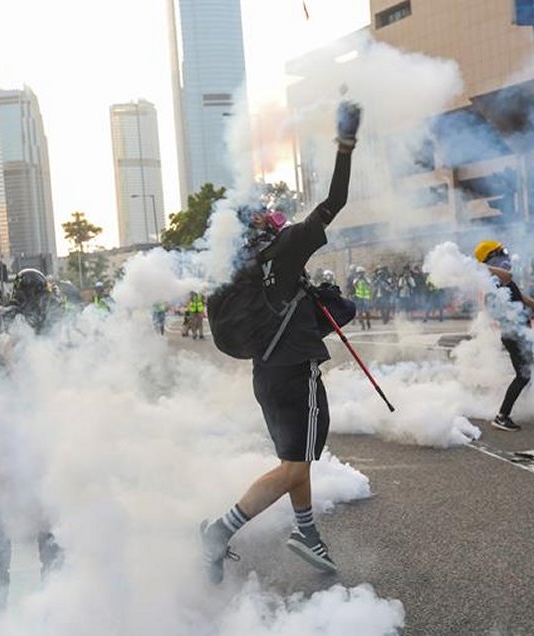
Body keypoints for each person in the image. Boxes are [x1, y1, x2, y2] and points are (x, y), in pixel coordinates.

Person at [200, 99, 361, 585]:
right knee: (295, 465)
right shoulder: (285, 249)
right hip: (296, 373)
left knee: (295, 460)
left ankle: (308, 534)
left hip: (266, 376)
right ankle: (218, 531)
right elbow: (335, 202)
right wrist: (346, 146)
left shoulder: (242, 269)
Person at [0, 268, 61, 610]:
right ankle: (60, 604)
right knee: (50, 515)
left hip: (10, 427)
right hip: (38, 426)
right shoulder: (50, 320)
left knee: (0, 516)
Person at [474, 240, 534, 432]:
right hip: (512, 334)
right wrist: (485, 268)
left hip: (521, 331)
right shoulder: (493, 280)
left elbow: (518, 294)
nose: (506, 256)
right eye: (501, 253)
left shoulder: (499, 279)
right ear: (491, 259)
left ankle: (523, 405)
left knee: (529, 370)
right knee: (523, 375)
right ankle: (502, 415)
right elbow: (508, 277)